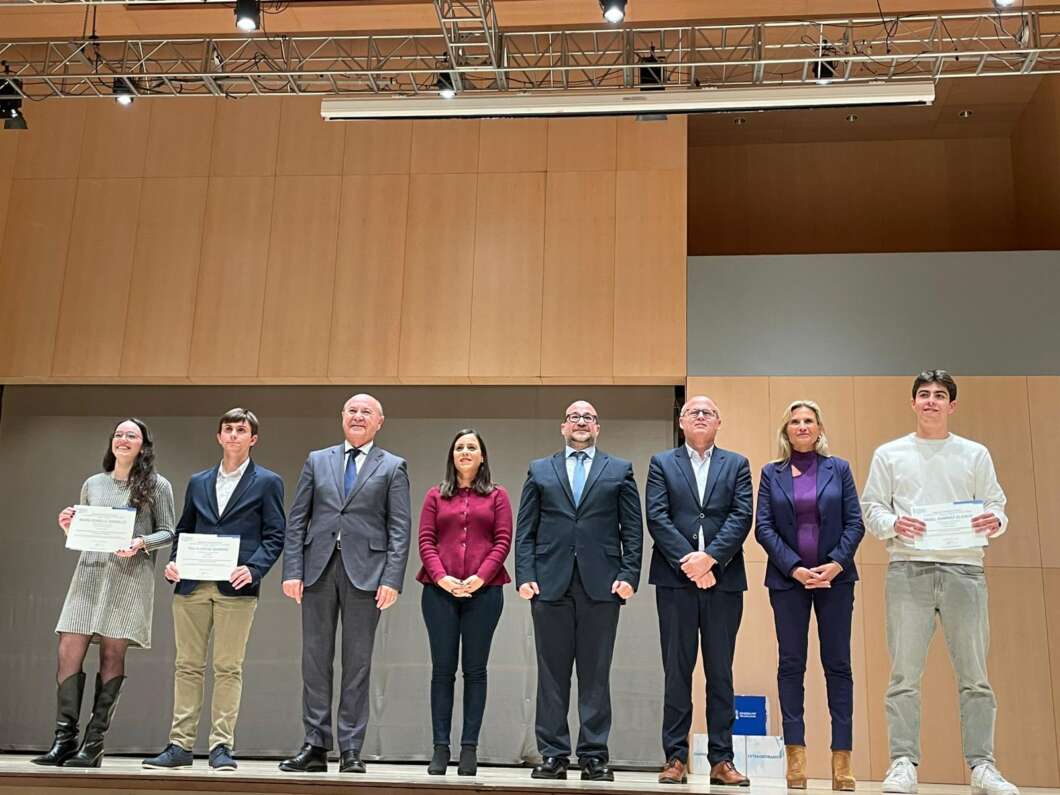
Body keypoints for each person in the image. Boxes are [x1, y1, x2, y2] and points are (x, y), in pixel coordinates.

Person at [861, 370, 1017, 795]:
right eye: (924, 395)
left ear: (952, 406)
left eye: (940, 395)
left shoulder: (974, 454)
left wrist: (995, 520)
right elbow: (871, 507)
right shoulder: (890, 454)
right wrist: (895, 523)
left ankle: (983, 766)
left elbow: (996, 505)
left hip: (964, 569)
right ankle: (903, 763)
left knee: (975, 676)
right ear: (913, 403)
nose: (931, 401)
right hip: (908, 568)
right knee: (904, 676)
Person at [142, 408, 285, 772]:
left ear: (253, 438)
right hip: (191, 584)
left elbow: (275, 535)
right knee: (187, 666)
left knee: (228, 667)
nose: (234, 435)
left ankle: (221, 746)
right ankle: (180, 745)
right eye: (228, 429)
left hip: (235, 588)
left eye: (241, 430)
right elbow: (184, 528)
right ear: (219, 437)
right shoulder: (199, 481)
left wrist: (253, 570)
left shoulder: (268, 482)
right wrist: (174, 562)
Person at [279, 393, 411, 775]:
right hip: (318, 568)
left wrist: (392, 579)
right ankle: (315, 745)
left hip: (367, 574)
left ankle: (351, 748)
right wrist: (292, 569)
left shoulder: (393, 466)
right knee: (314, 661)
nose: (358, 416)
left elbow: (399, 529)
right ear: (341, 417)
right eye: (352, 411)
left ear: (379, 422)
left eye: (365, 412)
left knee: (358, 664)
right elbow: (297, 518)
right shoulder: (318, 460)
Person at [33, 418, 175, 768]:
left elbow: (169, 532)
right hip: (89, 574)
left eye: (132, 435)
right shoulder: (93, 484)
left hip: (128, 578)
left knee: (113, 656)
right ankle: (63, 739)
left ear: (143, 445)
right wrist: (69, 526)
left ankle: (92, 744)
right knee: (68, 649)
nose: (123, 440)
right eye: (119, 434)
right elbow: (82, 535)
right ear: (112, 442)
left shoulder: (158, 485)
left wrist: (141, 542)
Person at [514, 400, 643, 782]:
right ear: (563, 427)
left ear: (598, 428)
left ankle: (593, 755)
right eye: (574, 417)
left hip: (602, 585)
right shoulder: (539, 470)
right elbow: (525, 530)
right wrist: (524, 573)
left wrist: (629, 574)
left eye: (588, 418)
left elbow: (632, 531)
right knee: (551, 673)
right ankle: (552, 754)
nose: (581, 423)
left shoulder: (619, 470)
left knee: (596, 673)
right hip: (549, 582)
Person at [754, 400, 864, 791]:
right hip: (788, 583)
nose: (802, 426)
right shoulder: (771, 473)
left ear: (819, 428)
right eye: (795, 422)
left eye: (809, 421)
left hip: (836, 580)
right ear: (786, 431)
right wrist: (796, 569)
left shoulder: (841, 469)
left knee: (838, 666)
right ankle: (796, 761)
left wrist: (834, 564)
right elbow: (763, 528)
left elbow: (855, 522)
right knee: (791, 665)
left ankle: (842, 764)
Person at [645, 394, 753, 786]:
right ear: (682, 422)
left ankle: (722, 760)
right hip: (675, 580)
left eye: (708, 412)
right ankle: (675, 757)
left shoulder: (737, 464)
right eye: (693, 412)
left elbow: (743, 516)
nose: (701, 417)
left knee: (721, 672)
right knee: (677, 670)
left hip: (723, 580)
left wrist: (710, 560)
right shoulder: (662, 463)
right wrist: (690, 562)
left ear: (719, 422)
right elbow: (656, 516)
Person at [416, 428, 512, 777]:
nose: (466, 452)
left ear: (482, 456)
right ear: (452, 456)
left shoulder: (498, 496)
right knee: (442, 671)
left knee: (475, 671)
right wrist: (442, 577)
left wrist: (479, 577)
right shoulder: (434, 496)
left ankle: (468, 748)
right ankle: (440, 748)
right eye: (460, 447)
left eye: (472, 447)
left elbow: (503, 541)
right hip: (438, 592)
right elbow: (426, 540)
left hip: (485, 593)